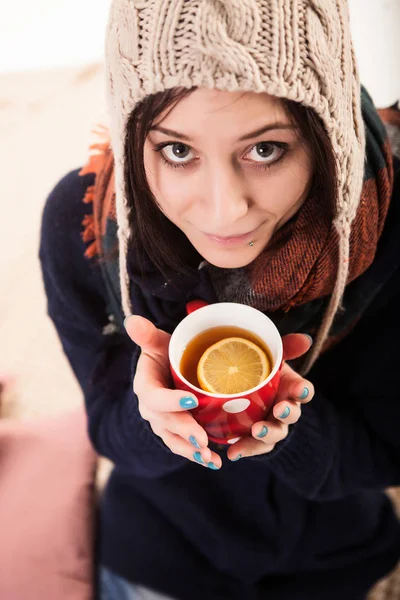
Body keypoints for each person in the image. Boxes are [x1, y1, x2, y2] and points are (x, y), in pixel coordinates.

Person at [39, 1, 400, 599]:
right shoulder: (83, 226)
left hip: (337, 555)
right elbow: (106, 428)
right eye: (177, 151)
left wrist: (291, 430)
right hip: (160, 550)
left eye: (265, 150)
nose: (224, 209)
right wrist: (153, 418)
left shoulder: (386, 223)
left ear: (327, 129)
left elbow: (387, 449)